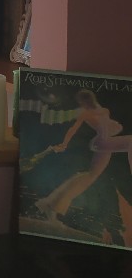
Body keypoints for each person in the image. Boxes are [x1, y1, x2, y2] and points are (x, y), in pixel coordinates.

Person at [36, 88, 132, 220]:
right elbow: (73, 129)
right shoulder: (88, 113)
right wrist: (64, 143)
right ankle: (53, 205)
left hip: (105, 144)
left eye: (82, 102)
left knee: (91, 176)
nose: (82, 104)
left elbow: (106, 127)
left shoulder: (100, 110)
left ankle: (53, 204)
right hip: (102, 143)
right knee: (130, 141)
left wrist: (115, 126)